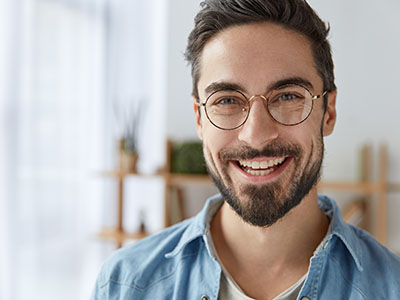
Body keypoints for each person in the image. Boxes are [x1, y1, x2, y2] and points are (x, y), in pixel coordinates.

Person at [91, 1, 400, 299]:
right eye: (226, 100)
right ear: (200, 120)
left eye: (288, 96)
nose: (256, 136)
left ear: (328, 112)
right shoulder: (124, 286)